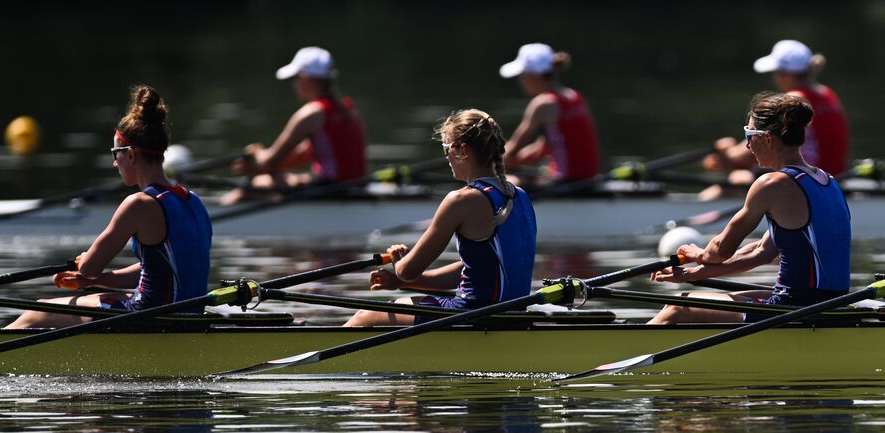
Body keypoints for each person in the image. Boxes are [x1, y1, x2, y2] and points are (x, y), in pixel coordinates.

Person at [7, 86, 212, 329]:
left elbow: (91, 266)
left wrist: (85, 265)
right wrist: (102, 280)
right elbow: (162, 269)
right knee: (70, 303)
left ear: (132, 155)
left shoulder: (138, 204)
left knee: (36, 312)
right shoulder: (193, 200)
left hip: (149, 318)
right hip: (188, 317)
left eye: (116, 153)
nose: (115, 163)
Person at [648, 92, 850, 324]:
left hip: (798, 308)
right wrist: (694, 274)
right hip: (829, 303)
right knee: (701, 298)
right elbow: (760, 252)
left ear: (768, 139)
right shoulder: (828, 180)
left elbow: (721, 249)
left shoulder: (772, 184)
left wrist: (699, 255)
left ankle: (615, 357)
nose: (746, 145)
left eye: (748, 135)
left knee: (678, 306)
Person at [345, 110, 537, 327]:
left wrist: (399, 260)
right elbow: (479, 268)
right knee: (400, 304)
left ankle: (321, 360)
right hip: (513, 317)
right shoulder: (520, 196)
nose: (446, 157)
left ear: (462, 150)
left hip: (473, 316)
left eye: (447, 149)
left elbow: (409, 270)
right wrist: (401, 282)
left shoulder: (460, 201)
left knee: (366, 314)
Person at [222, 46, 368, 204]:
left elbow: (270, 161)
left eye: (296, 78)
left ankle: (210, 222)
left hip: (331, 190)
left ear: (306, 78)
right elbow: (300, 155)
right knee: (281, 177)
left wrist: (254, 159)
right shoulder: (348, 109)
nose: (295, 84)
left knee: (251, 187)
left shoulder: (312, 113)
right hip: (356, 187)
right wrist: (264, 165)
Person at [705, 39, 850, 193]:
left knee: (739, 177)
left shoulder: (793, 102)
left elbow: (751, 148)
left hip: (805, 182)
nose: (775, 79)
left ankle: (698, 209)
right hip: (832, 180)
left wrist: (725, 154)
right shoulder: (828, 95)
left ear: (785, 74)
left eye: (776, 73)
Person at [497, 43, 601, 185]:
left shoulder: (543, 103)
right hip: (589, 180)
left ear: (534, 75)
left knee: (500, 181)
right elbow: (540, 150)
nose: (520, 80)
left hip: (565, 181)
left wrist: (485, 166)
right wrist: (510, 162)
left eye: (523, 75)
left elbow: (513, 149)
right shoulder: (575, 96)